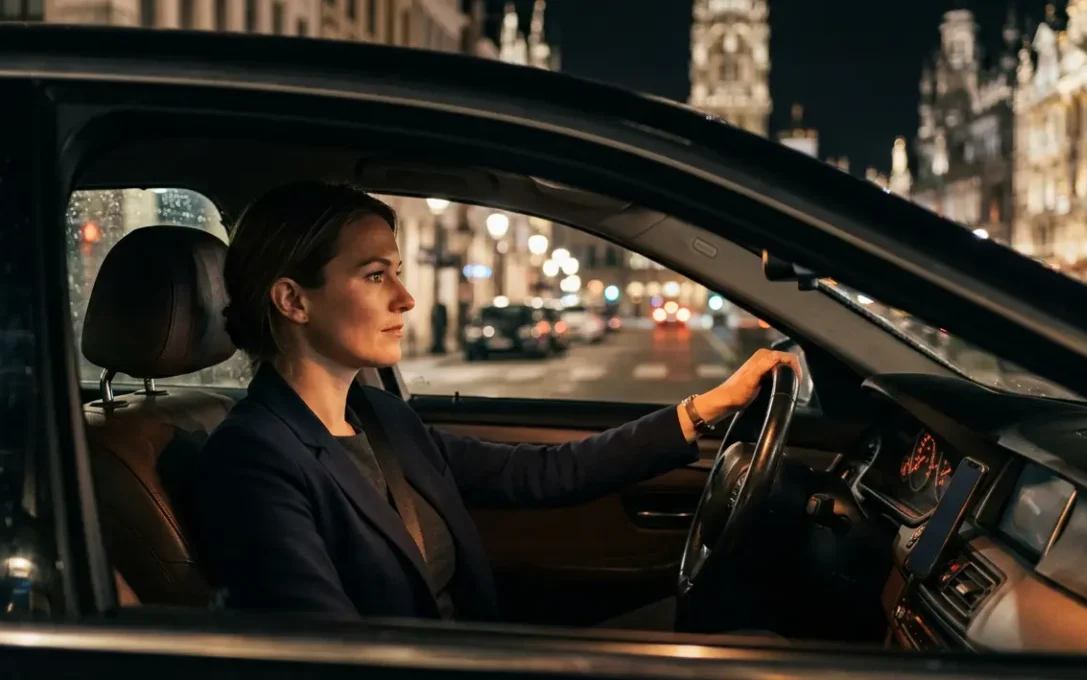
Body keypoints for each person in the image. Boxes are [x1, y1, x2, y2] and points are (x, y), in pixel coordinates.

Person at [197, 180, 798, 625]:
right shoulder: (253, 459)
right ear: (292, 301)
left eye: (397, 272)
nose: (407, 298)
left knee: (747, 629)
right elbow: (325, 656)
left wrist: (708, 407)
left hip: (480, 654)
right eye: (376, 275)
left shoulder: (380, 418)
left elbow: (542, 473)